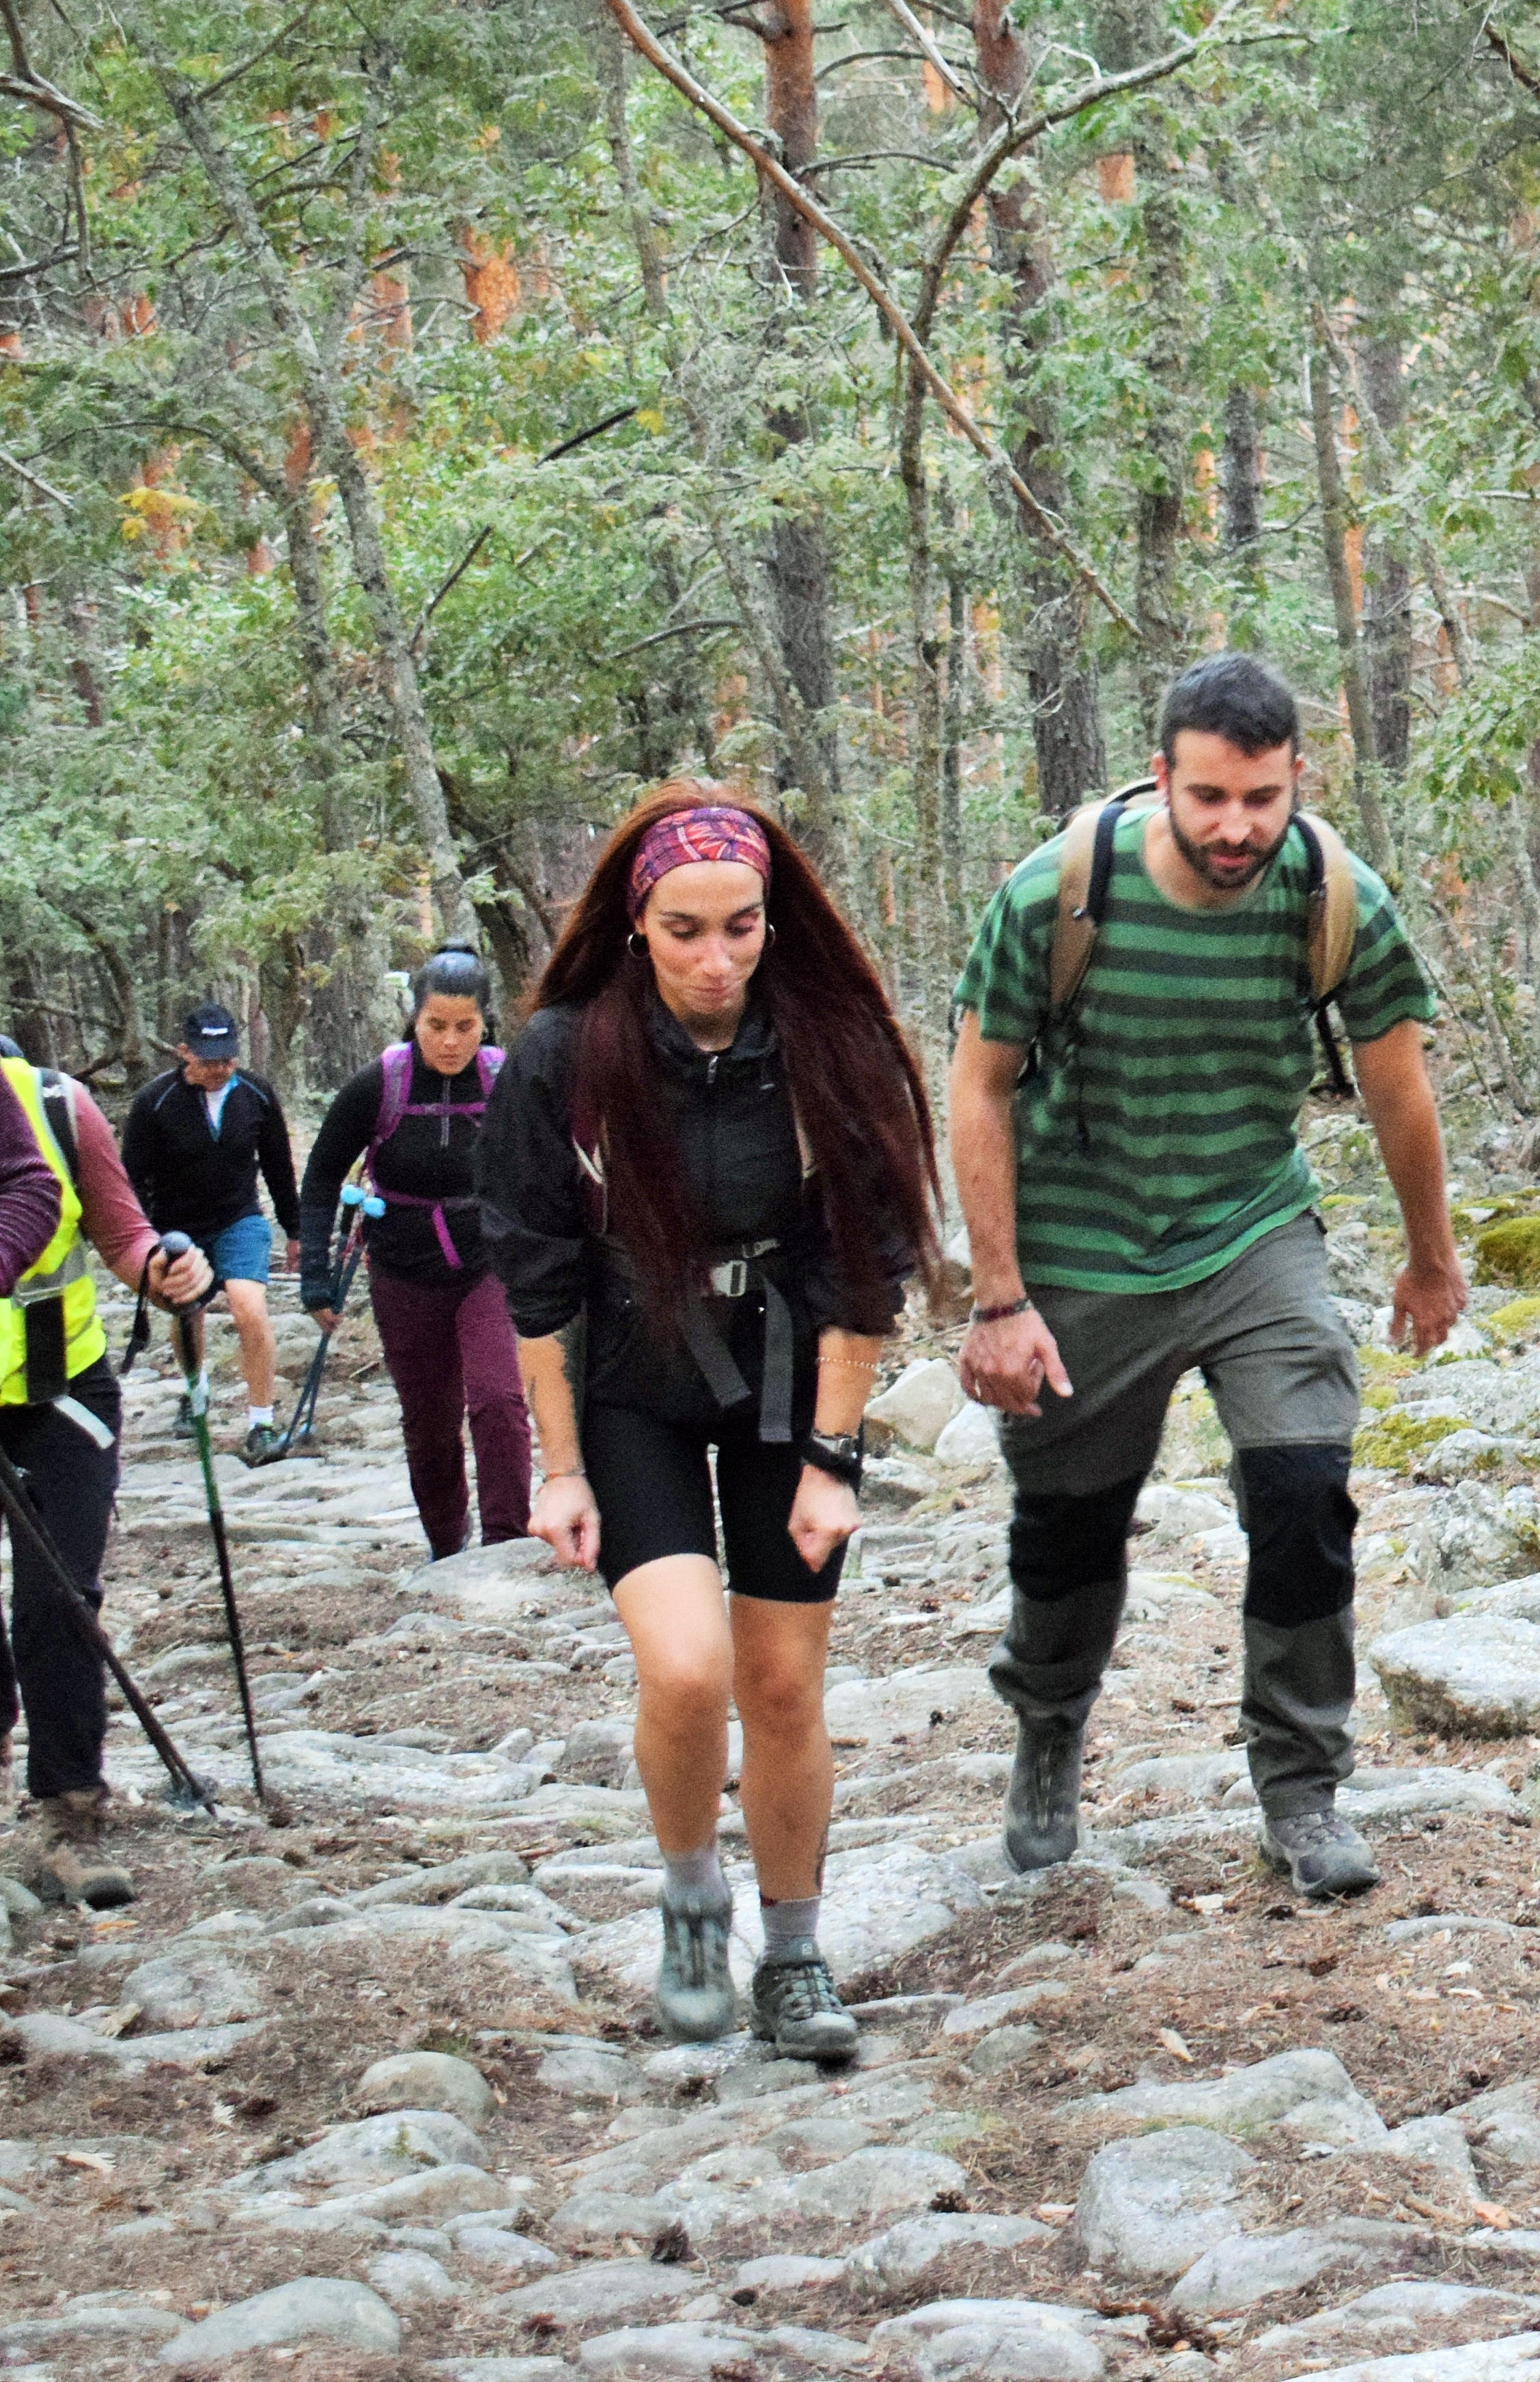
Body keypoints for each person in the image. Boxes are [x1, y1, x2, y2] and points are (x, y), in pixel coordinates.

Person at [953, 652, 1459, 1901]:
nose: (1237, 827)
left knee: (1304, 1488)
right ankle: (1049, 1731)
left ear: (1298, 782)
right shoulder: (1055, 896)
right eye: (1211, 798)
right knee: (1069, 1526)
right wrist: (999, 1297)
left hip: (1251, 1229)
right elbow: (975, 1085)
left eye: (1263, 800)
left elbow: (1397, 1087)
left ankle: (1302, 1785)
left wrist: (1431, 1258)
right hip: (1082, 1243)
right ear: (1164, 778)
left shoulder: (1335, 896)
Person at [481, 789, 938, 2056]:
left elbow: (870, 1267)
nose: (716, 958)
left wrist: (837, 1461)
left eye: (741, 927)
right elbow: (535, 1276)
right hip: (633, 1384)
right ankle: (692, 1901)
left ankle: (792, 1959)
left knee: (784, 1686)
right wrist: (558, 1467)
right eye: (684, 930)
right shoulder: (566, 1057)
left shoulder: (828, 1046)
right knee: (687, 1671)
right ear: (637, 926)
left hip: (790, 1385)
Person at [0, 1035, 214, 1909]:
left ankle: (69, 1809)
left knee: (60, 1597)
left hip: (62, 1391)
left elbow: (122, 1233)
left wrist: (167, 1272)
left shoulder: (57, 1106)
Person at [300, 951, 533, 1560]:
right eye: (436, 1026)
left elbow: (553, 1165)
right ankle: (447, 1548)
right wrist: (316, 1279)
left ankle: (507, 1545)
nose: (450, 1042)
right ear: (415, 1019)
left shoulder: (509, 1079)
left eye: (465, 1027)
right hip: (403, 1270)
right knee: (429, 1424)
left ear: (486, 1024)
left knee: (499, 1401)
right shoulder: (381, 1083)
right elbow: (322, 1175)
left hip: (489, 1265)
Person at [122, 1003, 299, 1463]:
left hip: (239, 1218)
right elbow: (131, 1180)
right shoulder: (153, 1102)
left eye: (227, 1059)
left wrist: (296, 1231)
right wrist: (143, 1243)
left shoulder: (256, 1095)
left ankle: (261, 1423)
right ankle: (194, 1391)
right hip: (177, 1228)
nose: (219, 1069)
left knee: (249, 1309)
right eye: (208, 1060)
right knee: (189, 1314)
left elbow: (279, 1166)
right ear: (184, 1052)